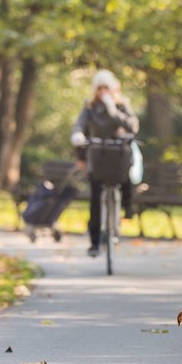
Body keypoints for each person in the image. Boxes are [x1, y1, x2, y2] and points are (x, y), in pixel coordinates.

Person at [71, 69, 140, 257]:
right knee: (95, 196)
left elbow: (133, 126)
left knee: (125, 180)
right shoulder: (90, 107)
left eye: (106, 88)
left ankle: (127, 209)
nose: (102, 92)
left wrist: (113, 110)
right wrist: (77, 135)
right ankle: (94, 241)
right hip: (98, 154)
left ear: (113, 88)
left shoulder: (122, 104)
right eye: (99, 88)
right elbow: (80, 125)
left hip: (118, 154)